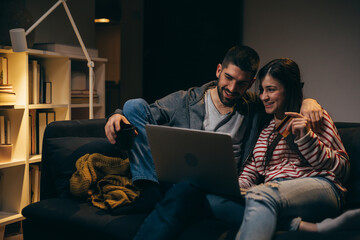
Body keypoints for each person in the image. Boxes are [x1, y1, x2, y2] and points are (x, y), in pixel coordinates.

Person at [104, 46, 322, 216]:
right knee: (133, 105)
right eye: (228, 77)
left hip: (224, 185)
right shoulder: (187, 99)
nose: (233, 88)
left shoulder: (256, 107)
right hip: (181, 179)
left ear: (251, 82)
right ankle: (149, 188)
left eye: (242, 83)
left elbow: (284, 104)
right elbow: (141, 112)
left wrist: (309, 102)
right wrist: (116, 114)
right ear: (219, 70)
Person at [235, 58, 350, 240]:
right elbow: (250, 173)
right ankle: (303, 226)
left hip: (320, 187)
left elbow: (342, 169)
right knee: (215, 201)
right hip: (274, 192)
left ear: (289, 89)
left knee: (260, 194)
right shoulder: (265, 132)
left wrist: (306, 137)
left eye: (271, 90)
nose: (263, 96)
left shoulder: (314, 118)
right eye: (262, 90)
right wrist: (232, 190)